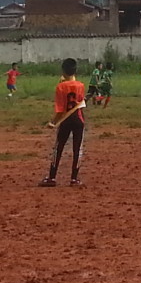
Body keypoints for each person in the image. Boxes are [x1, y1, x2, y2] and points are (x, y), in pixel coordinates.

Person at [38, 58, 86, 187]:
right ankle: (74, 179)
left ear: (63, 71)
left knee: (59, 148)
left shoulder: (60, 86)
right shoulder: (81, 86)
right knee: (78, 149)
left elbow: (60, 110)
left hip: (65, 120)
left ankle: (52, 178)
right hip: (79, 119)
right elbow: (80, 104)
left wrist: (53, 122)